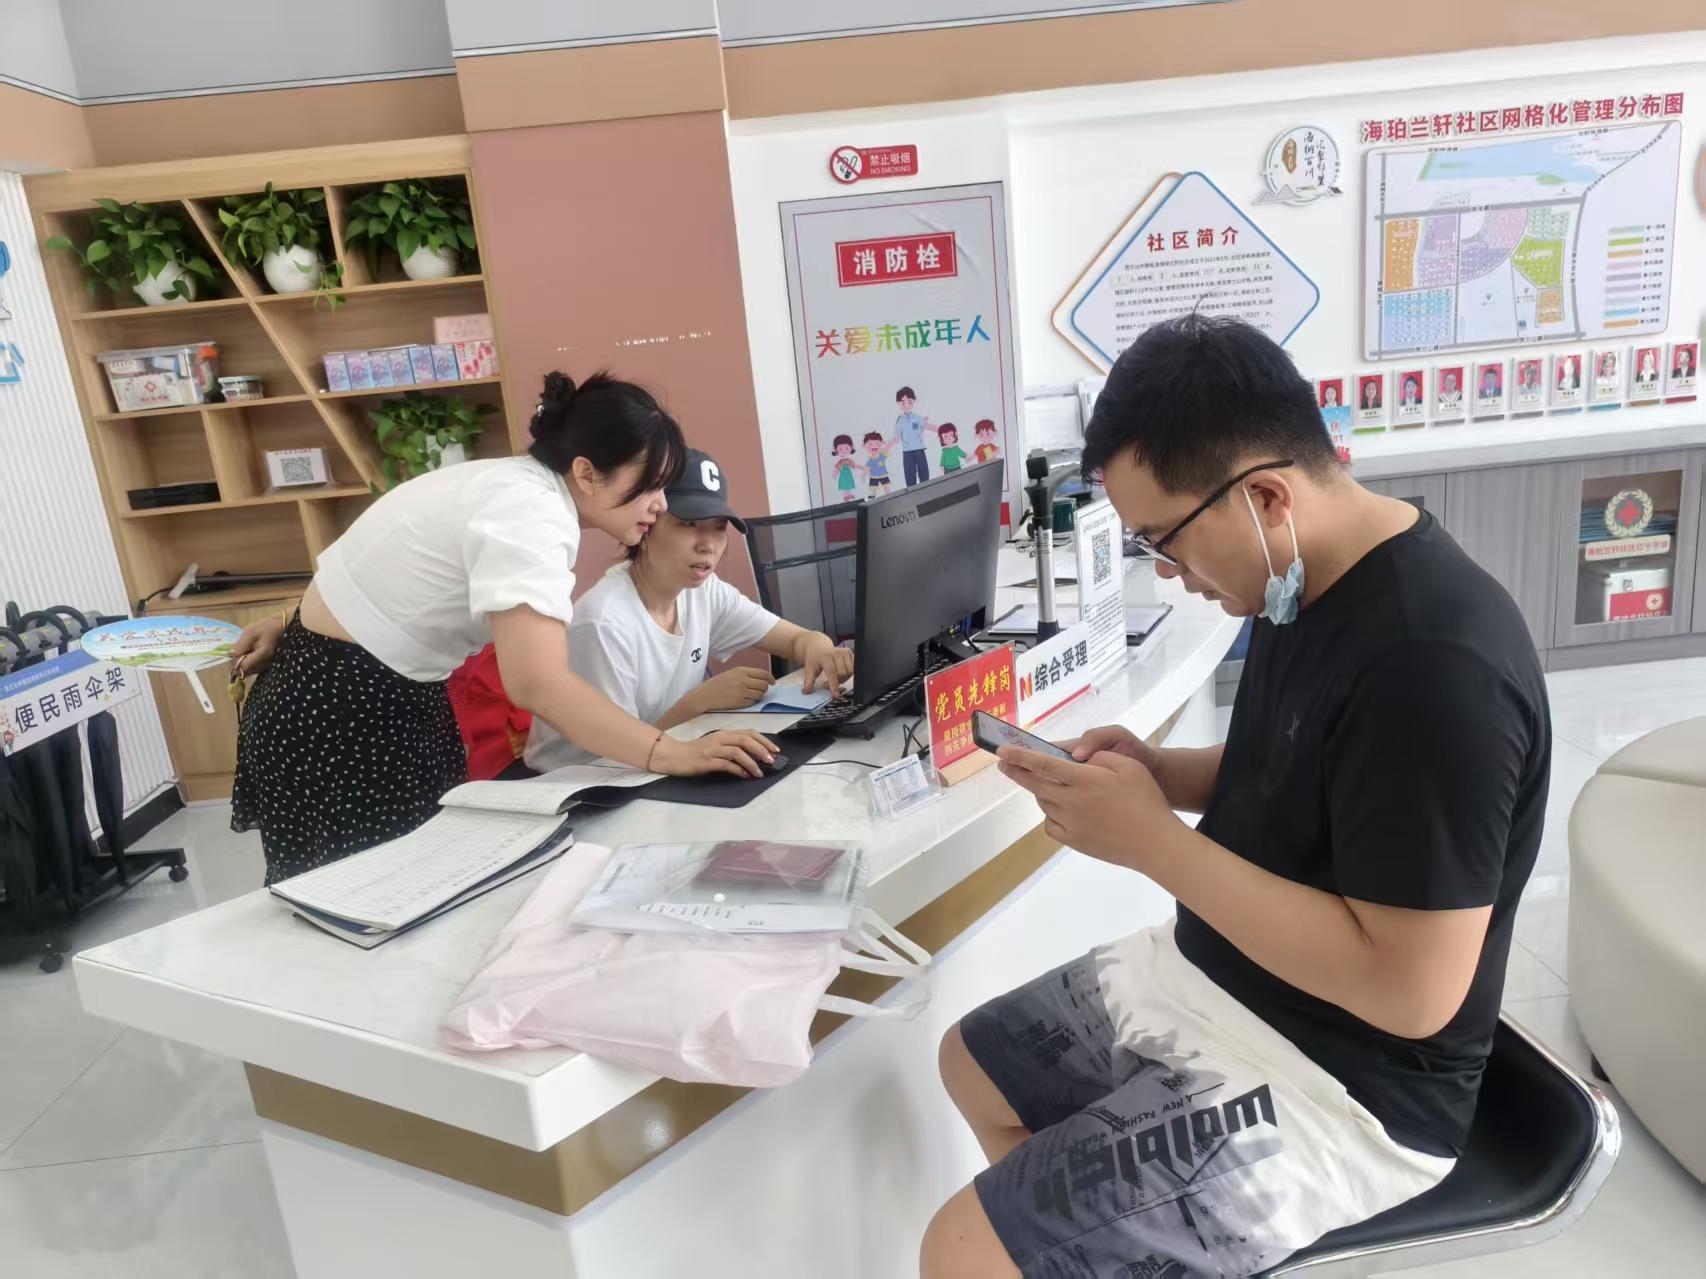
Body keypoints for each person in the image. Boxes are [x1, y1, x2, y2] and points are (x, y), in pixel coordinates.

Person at [921, 315, 1549, 1279]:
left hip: (1345, 1080)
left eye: (1165, 542)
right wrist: (1162, 773)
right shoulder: (1303, 573)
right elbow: (1306, 758)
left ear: (1264, 495)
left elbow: (1412, 993)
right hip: (1225, 975)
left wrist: (1156, 844)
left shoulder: (1433, 664)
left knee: (962, 1253)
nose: (1173, 576)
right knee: (971, 1063)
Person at [227, 371, 778, 884]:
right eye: (651, 486)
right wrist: (672, 753)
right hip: (345, 712)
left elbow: (384, 565)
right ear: (586, 473)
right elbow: (536, 682)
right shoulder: (530, 512)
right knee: (361, 897)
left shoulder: (512, 485)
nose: (659, 506)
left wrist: (293, 624)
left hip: (367, 689)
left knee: (412, 883)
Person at [525, 450, 852, 771]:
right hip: (579, 784)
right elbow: (615, 758)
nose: (708, 545)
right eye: (689, 523)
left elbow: (796, 640)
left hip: (662, 760)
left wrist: (819, 646)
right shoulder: (604, 622)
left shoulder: (704, 591)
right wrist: (699, 702)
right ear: (646, 525)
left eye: (719, 527)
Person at [893, 386, 937, 485]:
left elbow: (927, 426)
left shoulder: (917, 418)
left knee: (924, 474)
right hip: (907, 452)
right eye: (903, 402)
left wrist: (940, 430)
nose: (906, 405)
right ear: (898, 403)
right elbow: (896, 436)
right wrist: (891, 442)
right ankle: (912, 493)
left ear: (914, 400)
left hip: (919, 450)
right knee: (910, 477)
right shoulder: (900, 420)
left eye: (909, 402)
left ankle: (925, 490)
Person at [830, 433, 863, 503]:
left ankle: (849, 495)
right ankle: (846, 496)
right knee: (844, 485)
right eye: (840, 449)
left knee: (849, 485)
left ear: (851, 448)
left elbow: (855, 466)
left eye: (846, 448)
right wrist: (834, 474)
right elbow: (837, 469)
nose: (844, 451)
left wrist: (863, 469)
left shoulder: (849, 461)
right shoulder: (839, 462)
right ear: (835, 450)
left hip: (849, 476)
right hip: (843, 476)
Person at [863, 430, 894, 495]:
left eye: (877, 443)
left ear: (881, 443)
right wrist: (864, 475)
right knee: (873, 490)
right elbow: (867, 469)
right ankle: (872, 497)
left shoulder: (882, 456)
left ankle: (889, 495)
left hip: (883, 475)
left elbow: (887, 448)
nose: (874, 446)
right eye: (870, 444)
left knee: (887, 488)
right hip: (873, 476)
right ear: (865, 445)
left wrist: (890, 443)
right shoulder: (870, 461)